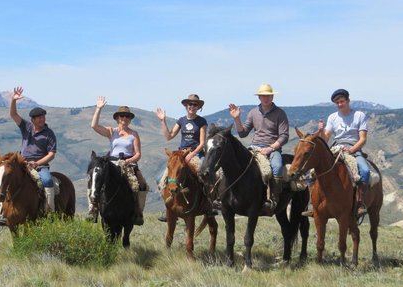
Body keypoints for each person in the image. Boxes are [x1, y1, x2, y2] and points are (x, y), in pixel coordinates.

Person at [0, 86, 57, 226]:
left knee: (48, 181)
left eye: (43, 117)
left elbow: (51, 154)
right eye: (39, 117)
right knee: (7, 178)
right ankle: (3, 213)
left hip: (40, 166)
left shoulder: (49, 134)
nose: (42, 119)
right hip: (22, 163)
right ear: (32, 120)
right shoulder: (26, 127)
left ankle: (49, 211)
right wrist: (13, 100)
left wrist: (37, 163)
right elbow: (13, 115)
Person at [229, 83, 289, 216]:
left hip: (273, 149)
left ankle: (273, 199)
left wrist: (271, 148)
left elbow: (284, 136)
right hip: (255, 147)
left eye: (268, 96)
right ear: (259, 98)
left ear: (272, 96)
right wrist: (237, 118)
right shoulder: (253, 112)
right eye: (263, 96)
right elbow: (243, 133)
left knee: (277, 166)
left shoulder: (280, 113)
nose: (266, 98)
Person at [156, 93, 215, 222]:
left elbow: (202, 143)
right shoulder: (181, 120)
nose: (192, 106)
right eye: (190, 104)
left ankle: (209, 205)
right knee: (161, 178)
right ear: (185, 105)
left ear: (198, 107)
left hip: (196, 153)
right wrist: (163, 121)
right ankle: (169, 208)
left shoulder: (201, 121)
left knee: (205, 175)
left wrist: (192, 155)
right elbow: (168, 136)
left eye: (195, 105)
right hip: (180, 154)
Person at [90, 96, 147, 225]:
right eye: (122, 116)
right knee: (95, 178)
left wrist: (129, 160)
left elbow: (138, 154)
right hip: (112, 163)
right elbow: (94, 125)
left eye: (127, 117)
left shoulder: (134, 134)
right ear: (117, 118)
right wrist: (98, 109)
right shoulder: (111, 132)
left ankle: (138, 212)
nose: (124, 119)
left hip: (128, 163)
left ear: (130, 119)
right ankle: (93, 208)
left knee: (142, 183)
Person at [318, 88, 370, 217]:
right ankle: (314, 203)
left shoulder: (359, 115)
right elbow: (326, 138)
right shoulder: (333, 117)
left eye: (342, 101)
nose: (340, 104)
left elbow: (363, 139)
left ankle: (360, 202)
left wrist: (352, 150)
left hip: (353, 147)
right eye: (337, 103)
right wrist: (321, 130)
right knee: (313, 171)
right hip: (336, 147)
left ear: (348, 100)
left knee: (365, 170)